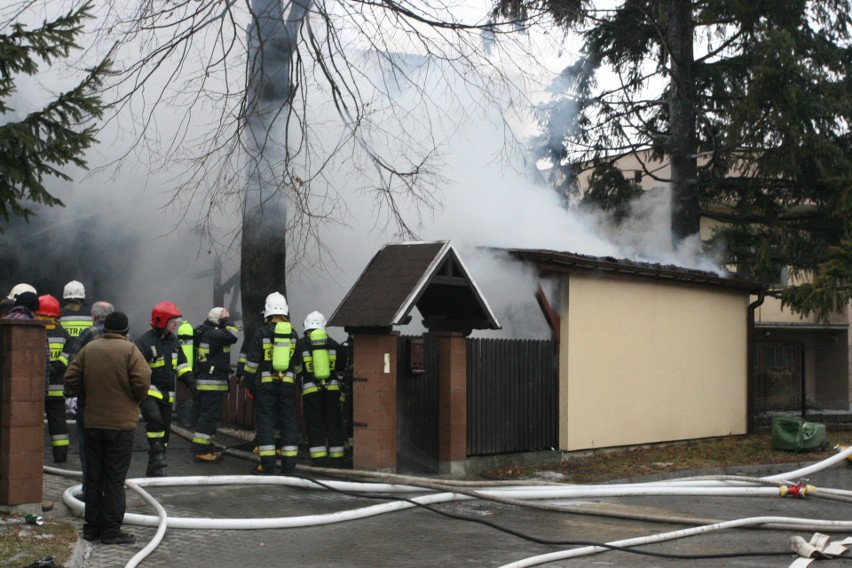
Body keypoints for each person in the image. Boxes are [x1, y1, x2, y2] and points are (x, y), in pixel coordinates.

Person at [64, 312, 151, 545]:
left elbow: (70, 377)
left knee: (93, 477)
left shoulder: (89, 349)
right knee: (114, 479)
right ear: (126, 330)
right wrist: (134, 399)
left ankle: (91, 529)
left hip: (93, 422)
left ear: (105, 328)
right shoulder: (131, 350)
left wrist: (88, 394)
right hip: (121, 426)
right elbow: (143, 380)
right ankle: (111, 531)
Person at [243, 292, 301, 475]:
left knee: (266, 423)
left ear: (267, 312)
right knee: (288, 423)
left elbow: (251, 363)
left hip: (266, 387)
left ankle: (267, 466)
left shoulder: (261, 332)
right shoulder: (293, 334)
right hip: (288, 386)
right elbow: (298, 365)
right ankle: (289, 466)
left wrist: (250, 385)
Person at [135, 301, 195, 477]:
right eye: (172, 320)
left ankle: (156, 463)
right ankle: (157, 454)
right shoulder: (144, 343)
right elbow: (136, 369)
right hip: (149, 392)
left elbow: (182, 364)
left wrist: (191, 382)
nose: (175, 324)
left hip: (167, 395)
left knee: (165, 433)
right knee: (155, 421)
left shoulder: (174, 342)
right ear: (162, 321)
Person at [66, 301, 116, 487]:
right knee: (112, 453)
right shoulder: (124, 337)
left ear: (93, 316)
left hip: (89, 404)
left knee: (89, 450)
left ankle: (90, 492)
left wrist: (71, 394)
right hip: (116, 406)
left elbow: (72, 366)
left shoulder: (88, 334)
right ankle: (110, 493)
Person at [296, 311, 347, 468]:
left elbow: (297, 369)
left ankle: (319, 460)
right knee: (334, 423)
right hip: (332, 391)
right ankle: (337, 459)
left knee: (315, 424)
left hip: (311, 391)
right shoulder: (333, 344)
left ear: (306, 328)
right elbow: (341, 366)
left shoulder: (302, 344)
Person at [190, 307, 239, 463]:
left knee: (209, 416)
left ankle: (208, 446)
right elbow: (233, 334)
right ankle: (201, 451)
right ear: (219, 320)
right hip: (211, 383)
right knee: (208, 417)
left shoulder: (205, 332)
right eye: (224, 318)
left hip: (206, 381)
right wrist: (227, 320)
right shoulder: (213, 334)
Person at [35, 294, 72, 463]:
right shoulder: (64, 333)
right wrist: (54, 368)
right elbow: (66, 359)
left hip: (35, 388)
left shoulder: (33, 330)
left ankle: (32, 454)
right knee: (58, 422)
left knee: (33, 422)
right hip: (57, 388)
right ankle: (61, 456)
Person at [59, 280, 93, 350]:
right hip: (85, 352)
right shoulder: (92, 313)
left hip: (64, 356)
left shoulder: (59, 313)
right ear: (83, 295)